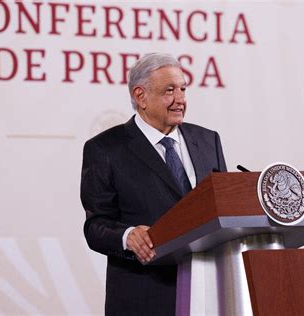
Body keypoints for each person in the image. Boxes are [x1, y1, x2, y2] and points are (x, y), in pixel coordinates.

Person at [80, 53, 227, 315]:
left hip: (208, 294)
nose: (180, 99)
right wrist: (127, 236)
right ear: (140, 96)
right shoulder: (105, 149)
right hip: (144, 297)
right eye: (169, 90)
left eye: (182, 89)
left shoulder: (208, 141)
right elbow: (95, 225)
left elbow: (224, 209)